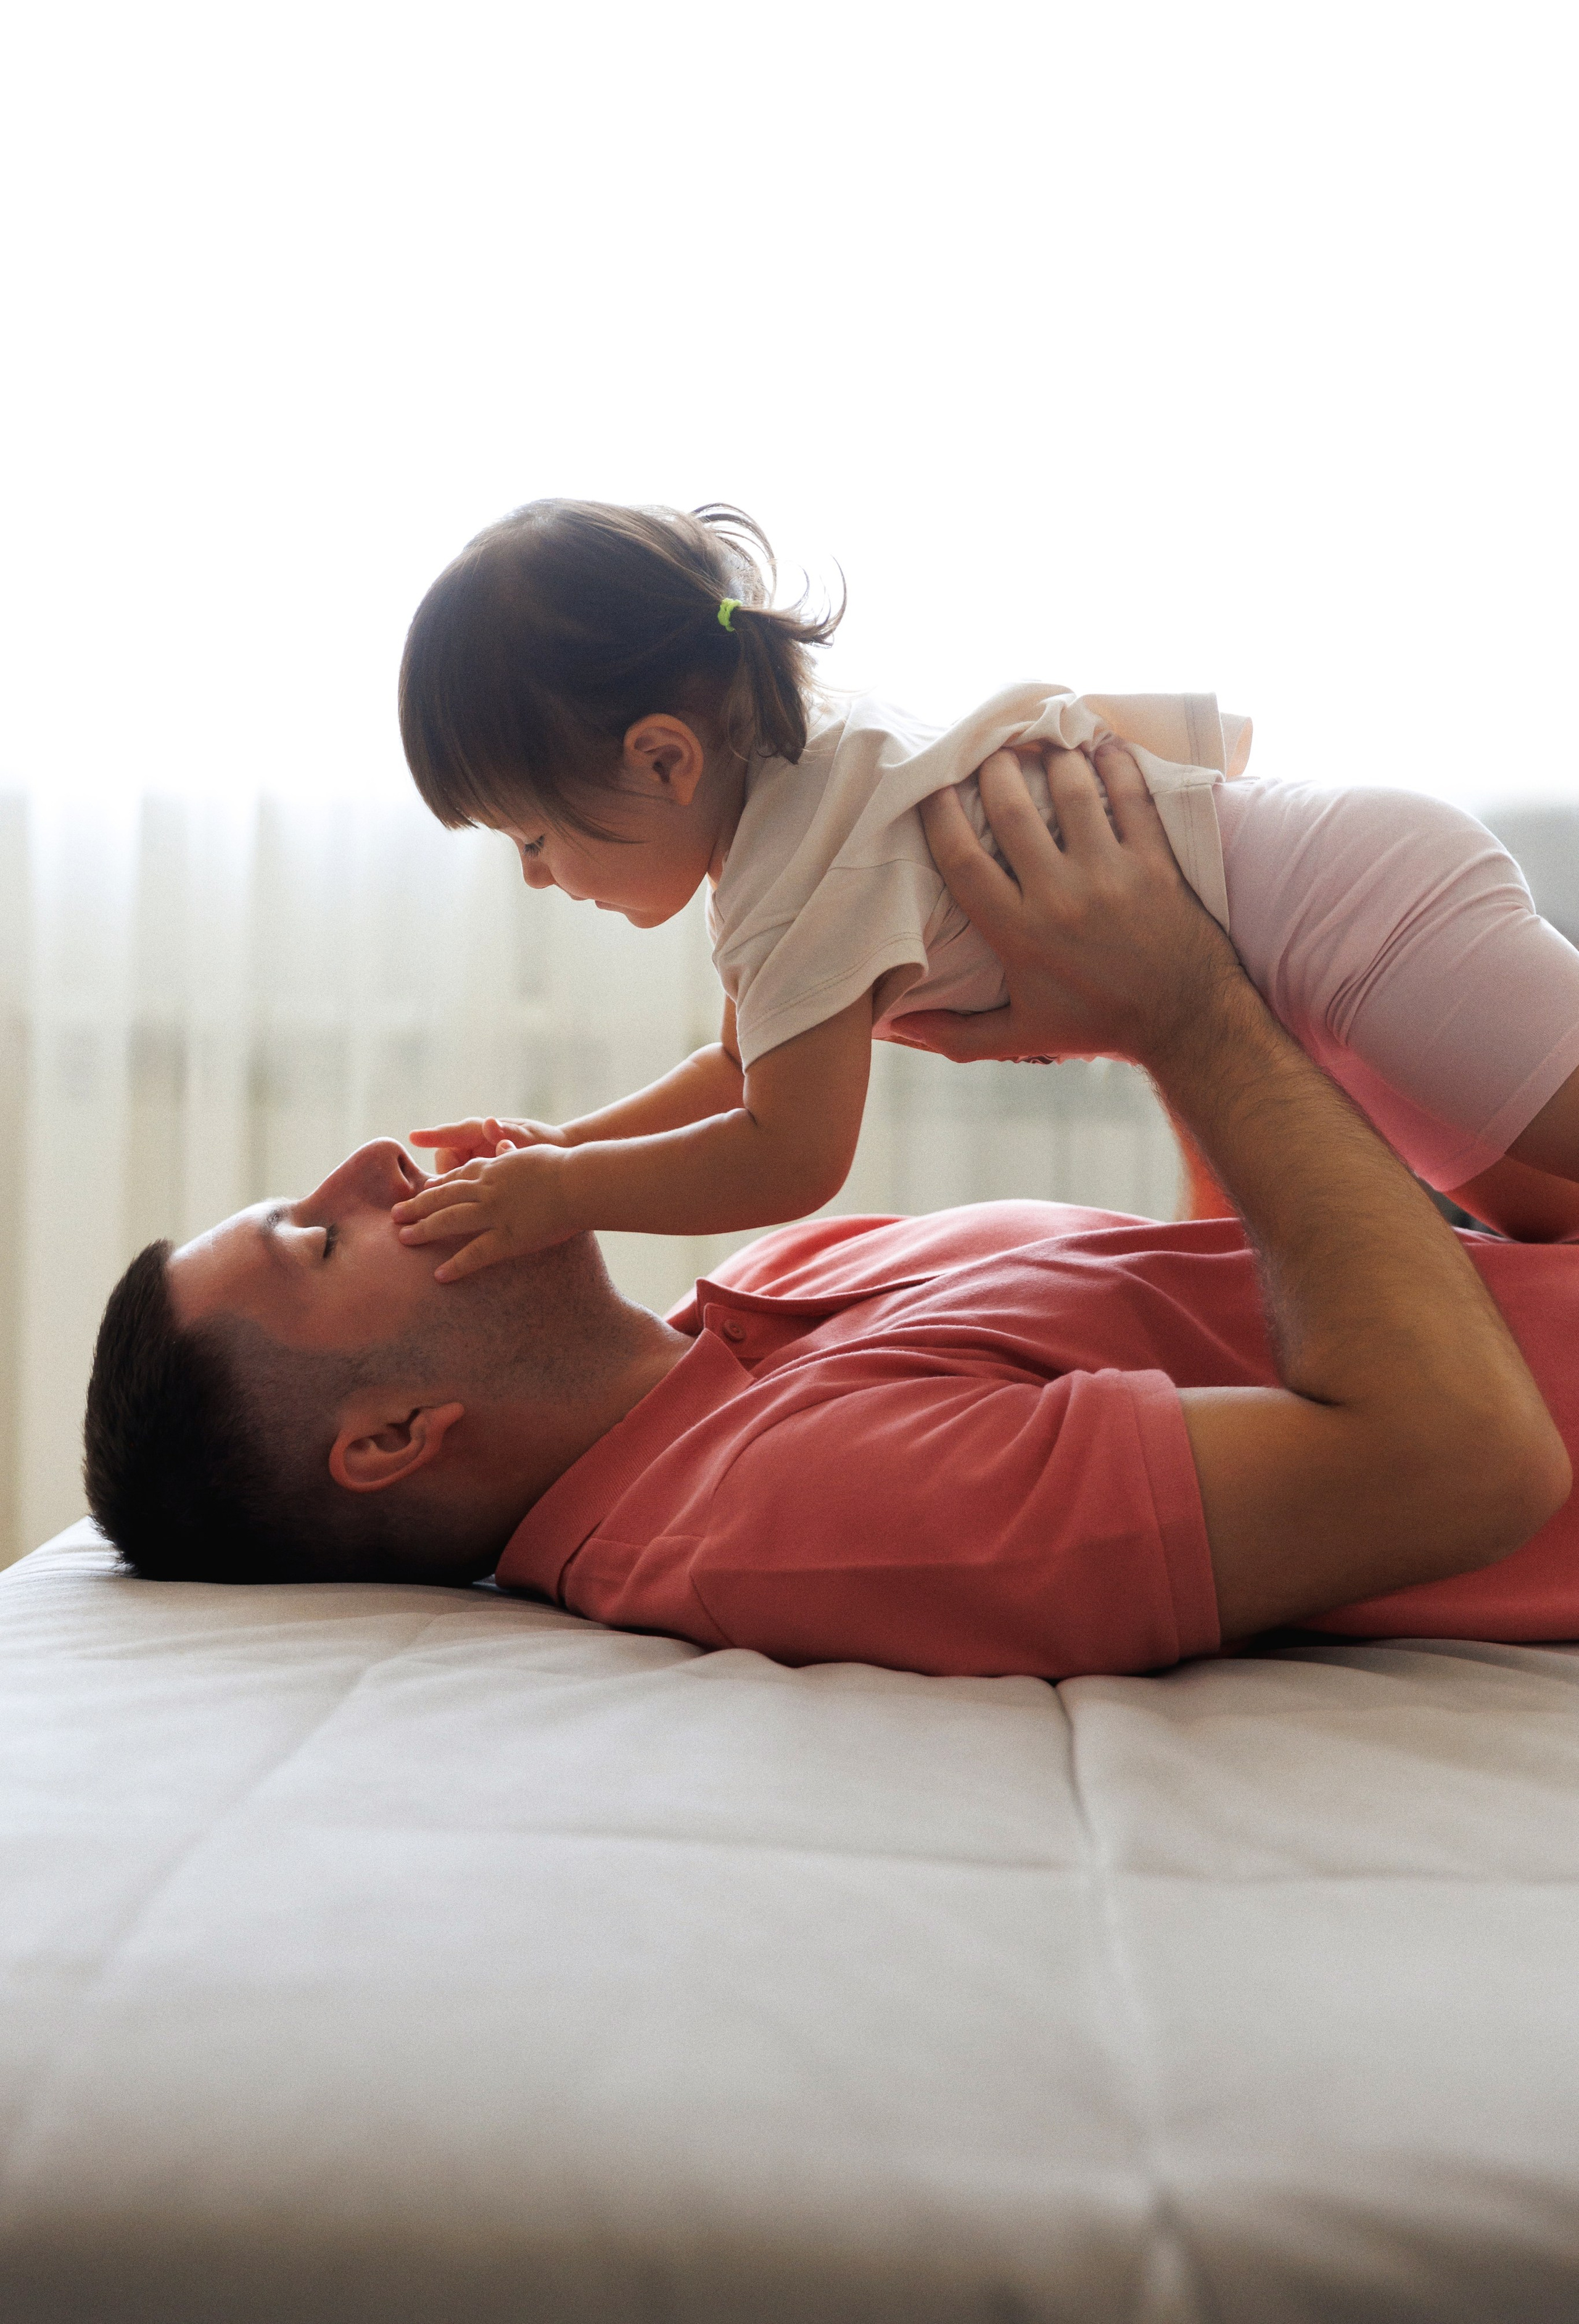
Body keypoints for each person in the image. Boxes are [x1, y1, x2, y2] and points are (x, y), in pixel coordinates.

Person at [83, 742, 1576, 1681]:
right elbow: (1461, 1462)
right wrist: (1187, 1006)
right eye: (318, 1237)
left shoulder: (771, 1279)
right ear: (394, 1437)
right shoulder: (789, 1510)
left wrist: (1183, 959)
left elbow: (1261, 1297)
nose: (368, 1161)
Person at [389, 497, 1579, 1285]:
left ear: (664, 760)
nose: (535, 875)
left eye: (532, 836)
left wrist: (565, 1192)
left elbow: (787, 1154)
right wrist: (564, 1143)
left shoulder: (798, 874)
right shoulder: (797, 801)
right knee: (1548, 1231)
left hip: (1359, 919)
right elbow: (746, 1073)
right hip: (1333, 921)